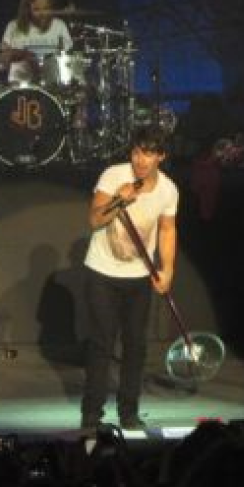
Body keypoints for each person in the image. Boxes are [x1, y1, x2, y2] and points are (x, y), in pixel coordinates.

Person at [81, 125, 178, 430]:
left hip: (138, 276)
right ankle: (92, 413)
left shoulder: (168, 190)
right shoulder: (114, 176)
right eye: (136, 152)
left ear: (161, 156)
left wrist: (167, 269)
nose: (140, 160)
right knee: (101, 344)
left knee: (135, 346)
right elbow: (94, 220)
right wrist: (118, 200)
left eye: (148, 154)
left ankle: (129, 412)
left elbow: (167, 230)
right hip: (102, 272)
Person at [0, 0, 72, 84]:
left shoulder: (59, 25)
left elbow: (67, 50)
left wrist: (59, 50)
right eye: (36, 9)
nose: (42, 13)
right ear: (27, 9)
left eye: (46, 8)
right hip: (20, 80)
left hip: (51, 79)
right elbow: (4, 53)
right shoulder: (13, 26)